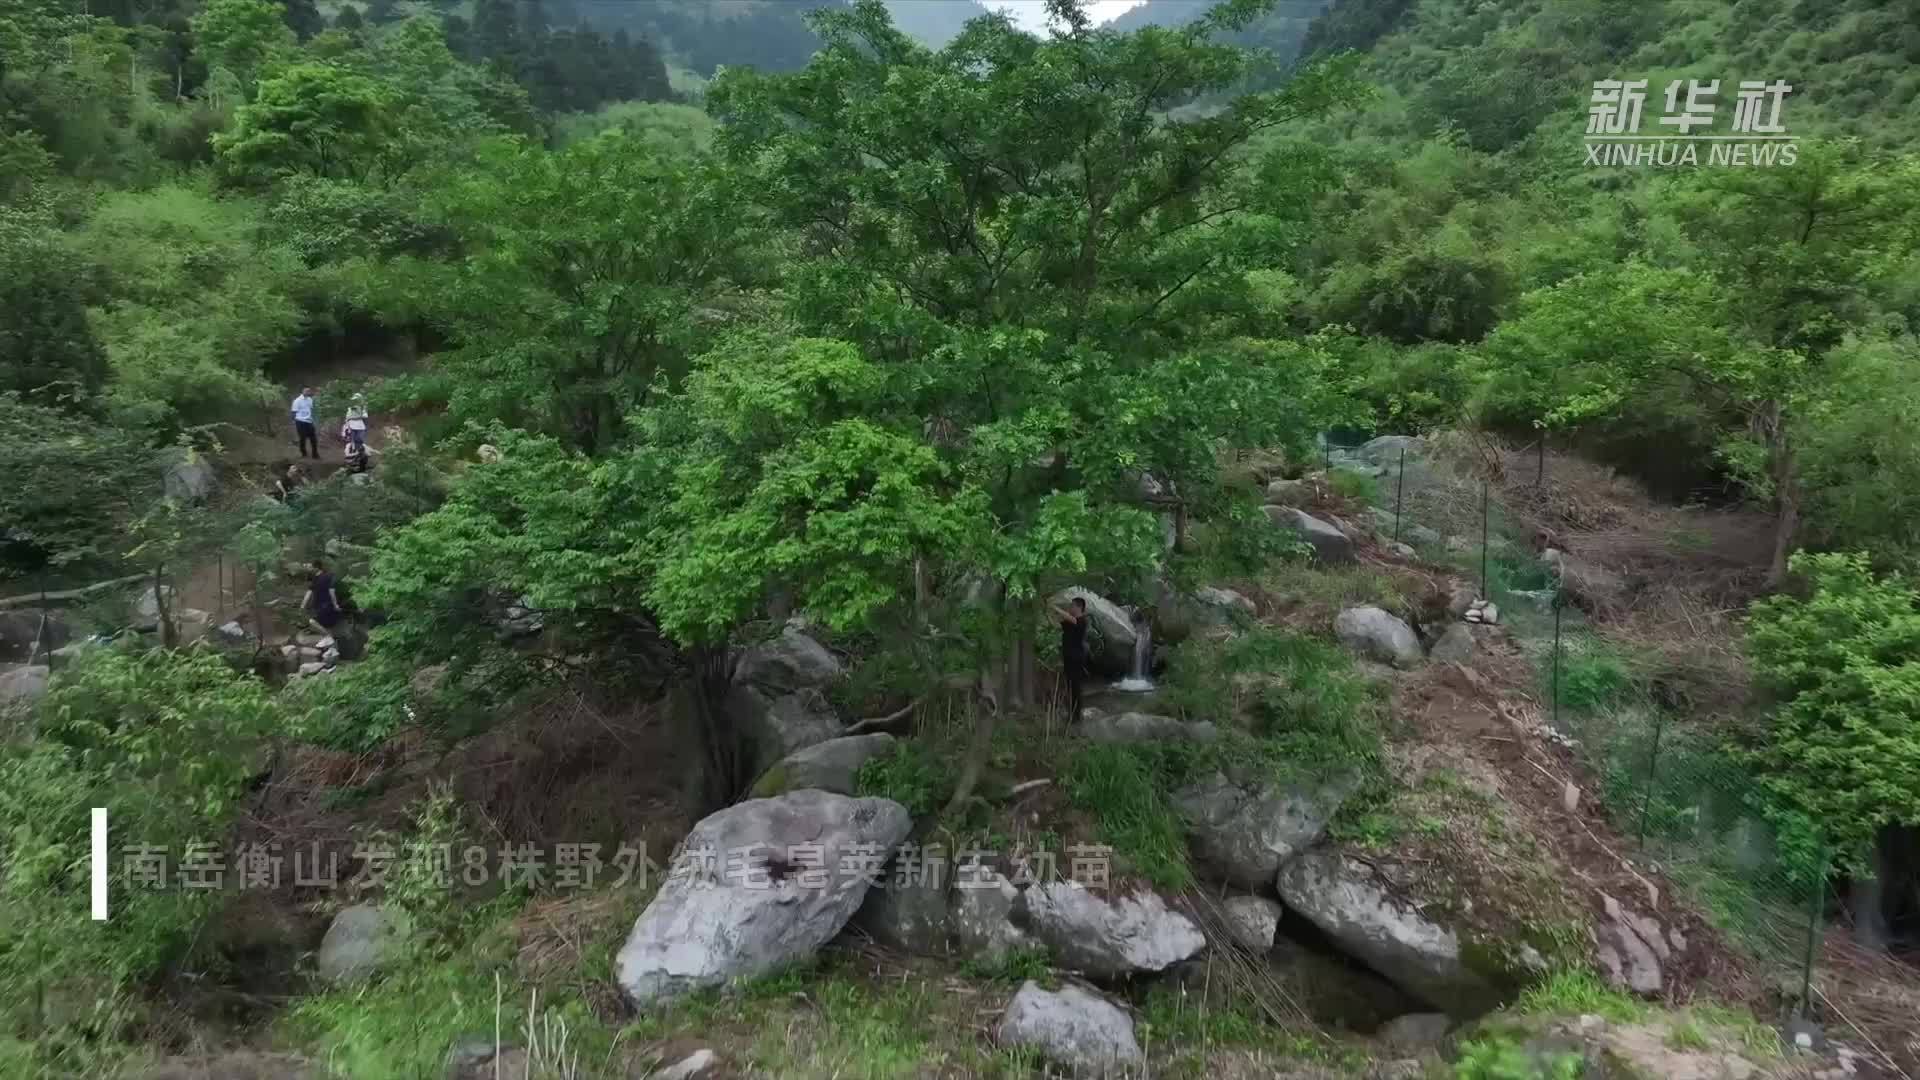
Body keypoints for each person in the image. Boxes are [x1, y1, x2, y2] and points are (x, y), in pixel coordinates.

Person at [1050, 595, 1090, 724]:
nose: (1070, 607)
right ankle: (1071, 712)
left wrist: (1055, 607)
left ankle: (1076, 715)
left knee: (1075, 686)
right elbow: (1055, 623)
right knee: (1069, 685)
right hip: (1067, 657)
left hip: (1076, 658)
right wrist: (1049, 612)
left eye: (1072, 605)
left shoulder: (1082, 620)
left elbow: (1071, 619)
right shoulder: (1069, 621)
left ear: (1079, 607)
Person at [302, 560, 342, 633]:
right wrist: (302, 606)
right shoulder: (316, 578)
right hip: (322, 608)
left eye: (310, 567)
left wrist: (335, 605)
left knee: (313, 622)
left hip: (326, 608)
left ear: (316, 568)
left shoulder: (326, 576)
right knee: (314, 621)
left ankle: (327, 634)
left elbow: (331, 592)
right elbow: (309, 593)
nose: (308, 569)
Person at [291, 387, 318, 459]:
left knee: (313, 438)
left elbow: (311, 410)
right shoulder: (297, 401)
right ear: (302, 391)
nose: (308, 392)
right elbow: (294, 412)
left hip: (309, 421)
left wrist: (313, 419)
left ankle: (315, 454)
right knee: (302, 438)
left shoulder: (310, 400)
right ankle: (303, 453)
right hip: (300, 421)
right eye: (306, 391)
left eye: (309, 391)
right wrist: (294, 421)